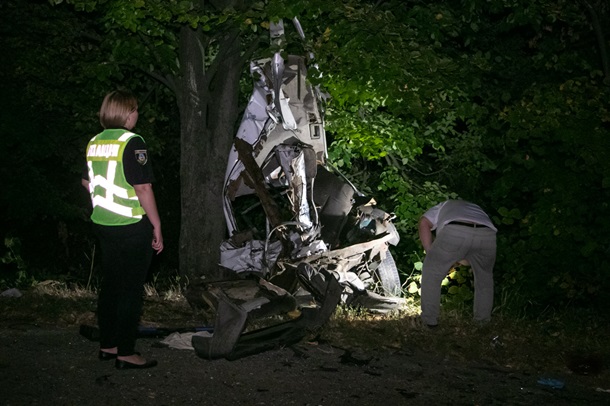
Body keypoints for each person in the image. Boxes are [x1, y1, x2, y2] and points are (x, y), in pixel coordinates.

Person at [82, 90, 163, 370]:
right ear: (127, 113)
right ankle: (126, 352)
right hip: (131, 225)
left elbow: (87, 182)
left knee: (111, 285)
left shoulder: (94, 142)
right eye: (135, 110)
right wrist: (156, 224)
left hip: (103, 224)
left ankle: (108, 344)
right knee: (130, 289)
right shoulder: (132, 142)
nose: (136, 114)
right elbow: (143, 187)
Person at [418, 199, 497, 327]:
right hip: (487, 232)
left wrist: (430, 253)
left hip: (455, 228)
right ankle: (482, 322)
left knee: (432, 273)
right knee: (485, 280)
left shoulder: (443, 205)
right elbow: (467, 259)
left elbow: (424, 222)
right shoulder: (475, 207)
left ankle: (429, 320)